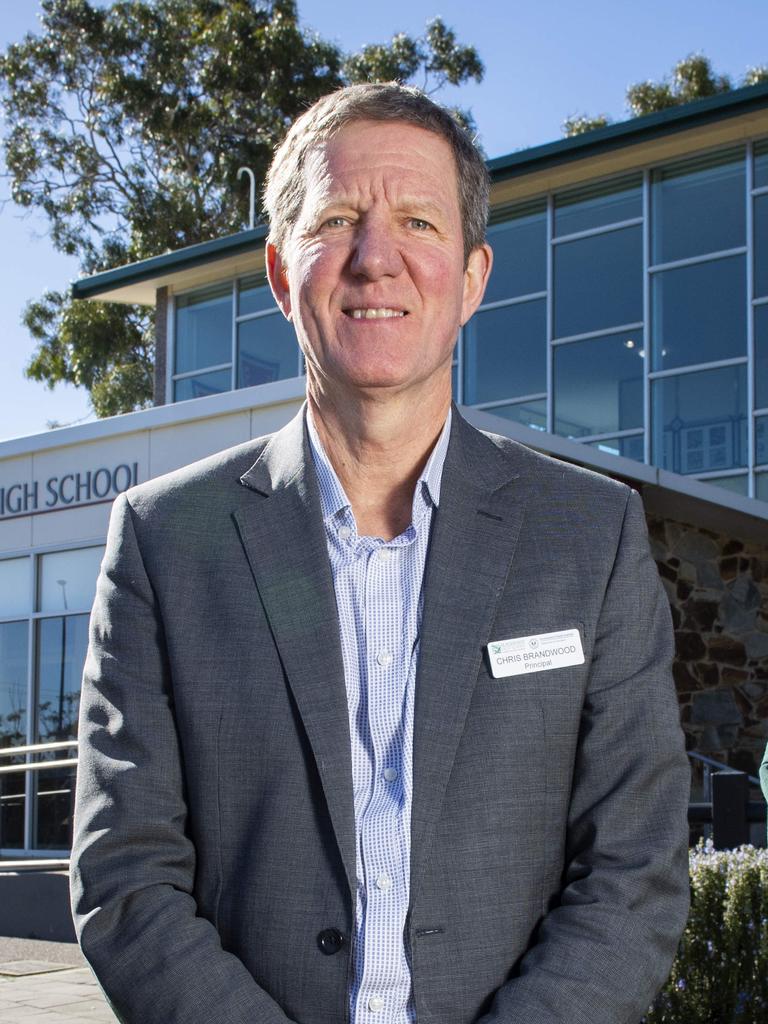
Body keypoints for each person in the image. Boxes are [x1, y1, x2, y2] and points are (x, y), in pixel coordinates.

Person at [71, 83, 690, 1024]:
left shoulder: (590, 536)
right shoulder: (165, 542)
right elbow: (125, 876)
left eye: (417, 221)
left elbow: (634, 872)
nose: (376, 259)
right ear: (281, 273)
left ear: (474, 277)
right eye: (338, 219)